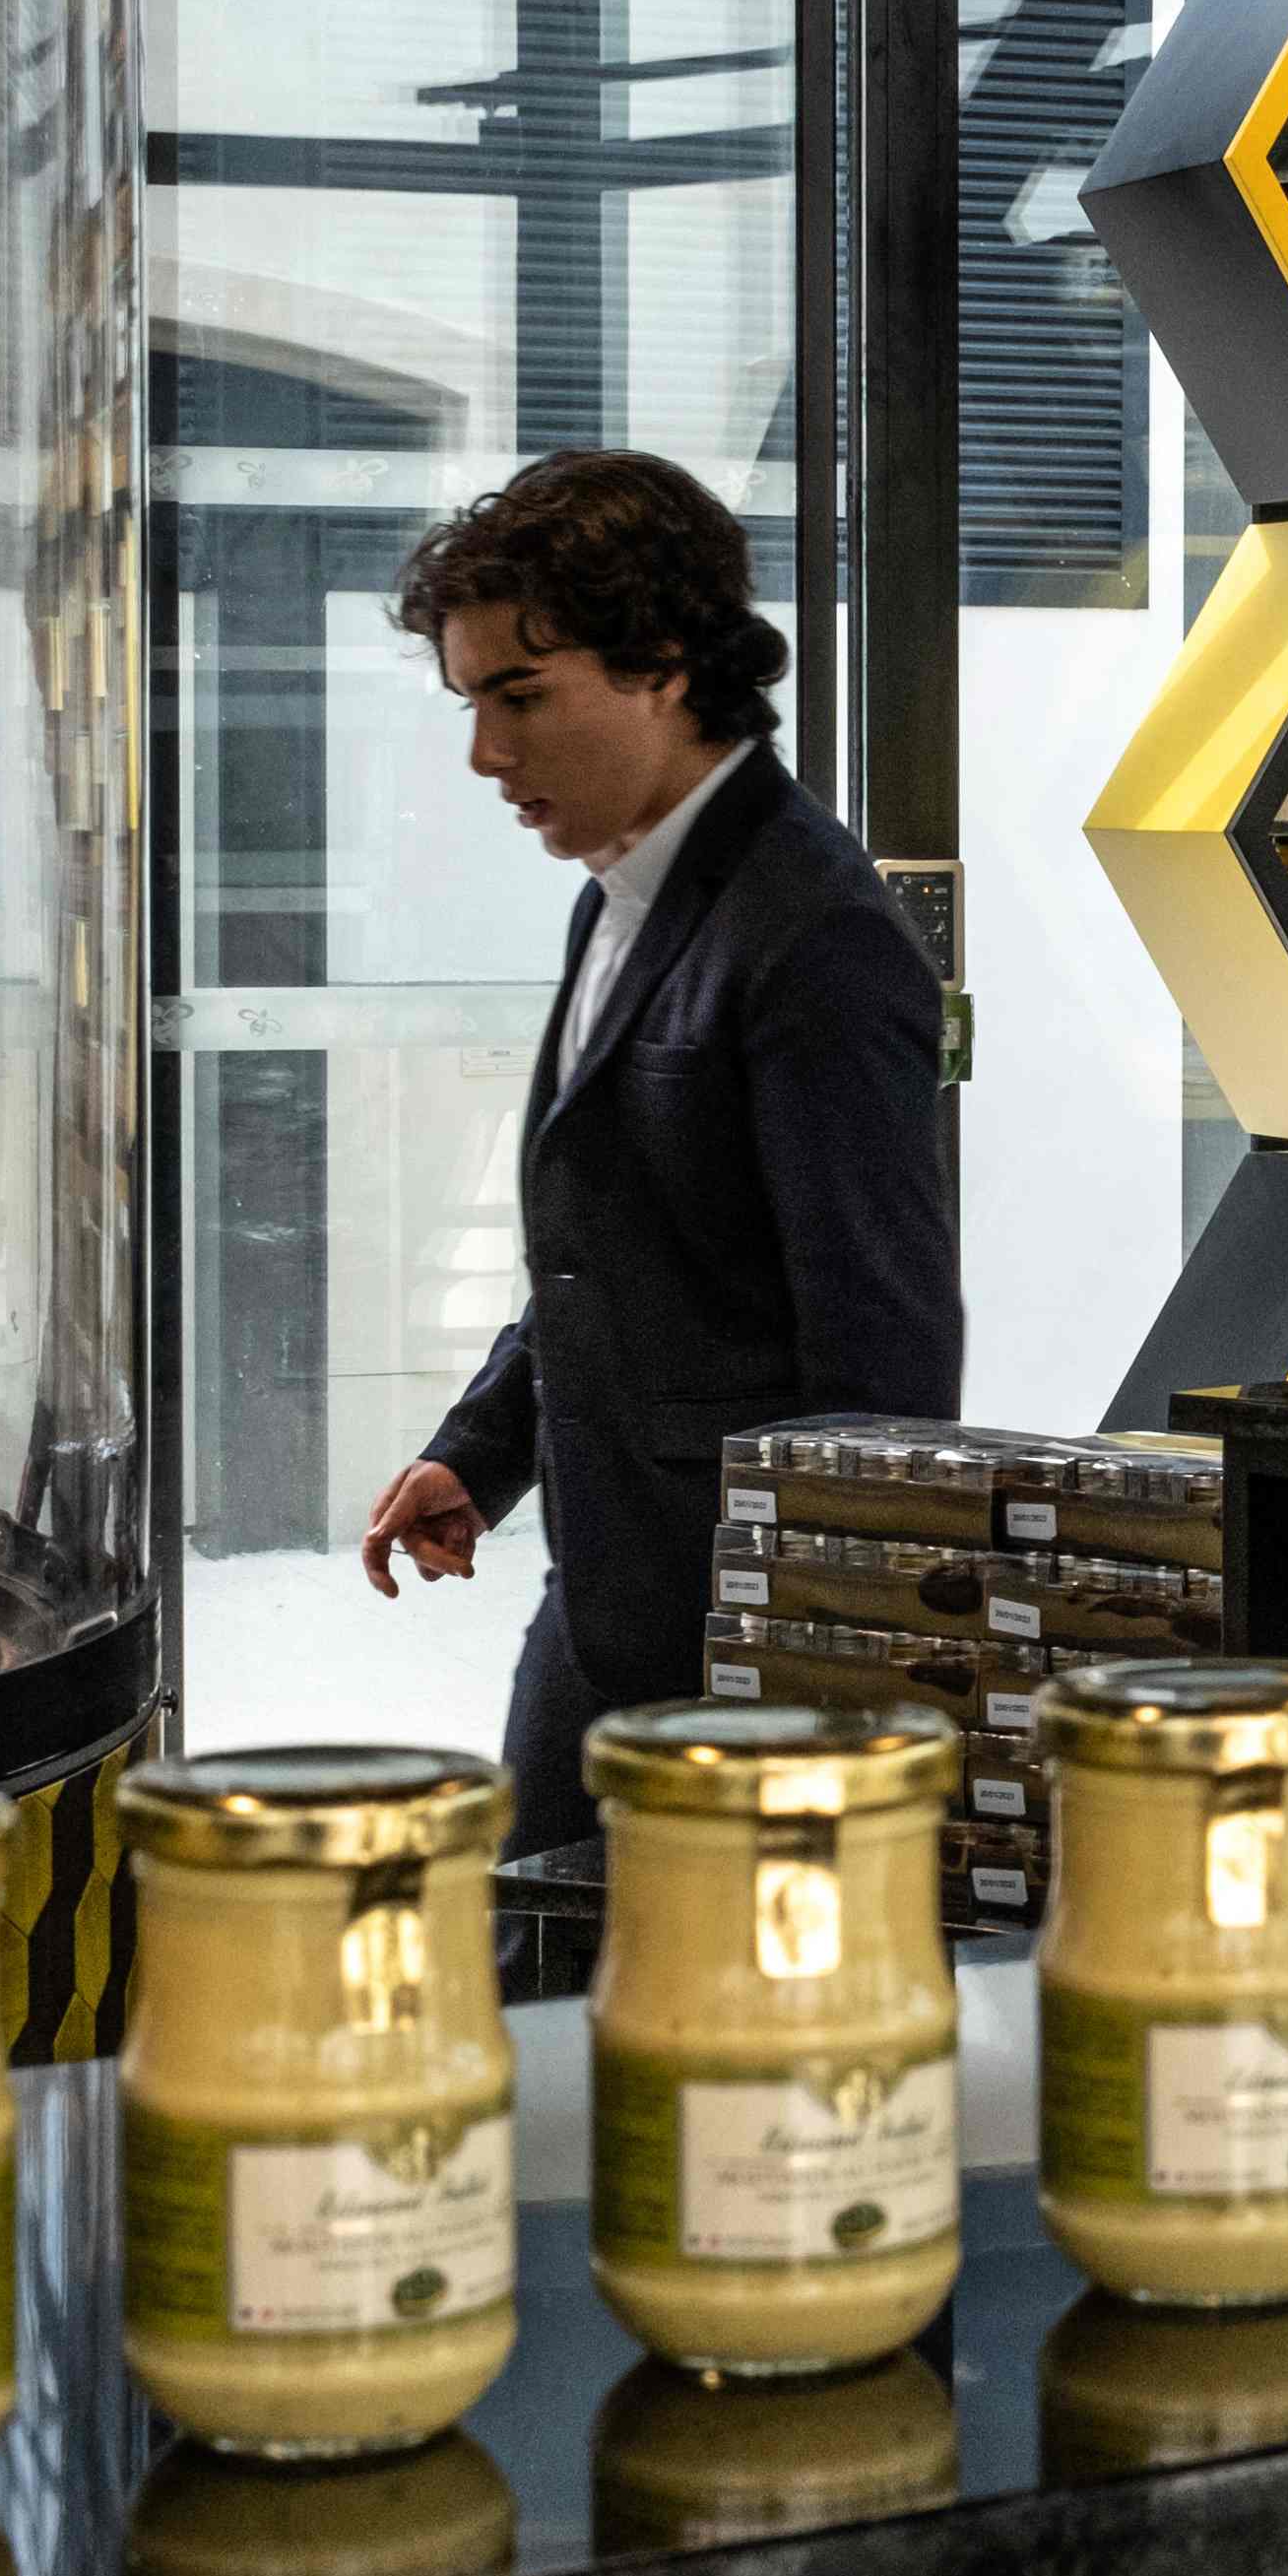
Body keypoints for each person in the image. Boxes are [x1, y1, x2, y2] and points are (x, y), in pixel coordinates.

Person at [355, 449, 961, 1844]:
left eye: (520, 697)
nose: (486, 754)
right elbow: (619, 1244)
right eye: (470, 704)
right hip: (616, 1588)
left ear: (667, 666)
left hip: (738, 1653)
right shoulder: (626, 890)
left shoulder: (816, 935)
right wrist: (485, 1448)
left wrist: (799, 1703)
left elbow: (885, 1362)